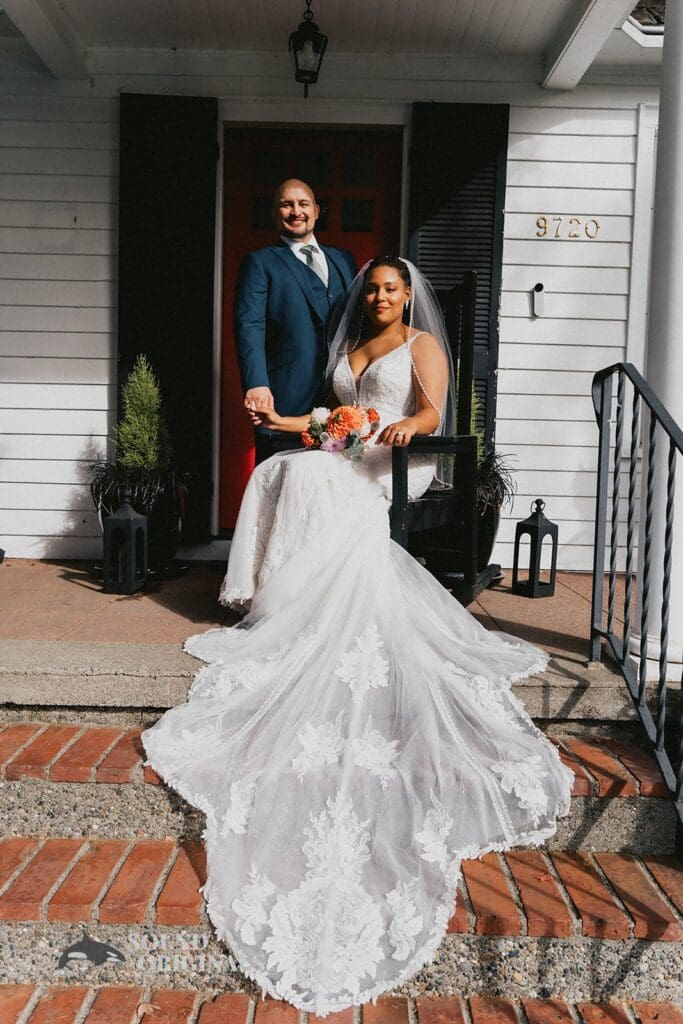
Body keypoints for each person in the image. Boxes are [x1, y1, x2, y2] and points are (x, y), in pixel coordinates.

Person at [141, 257, 573, 1018]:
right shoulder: (351, 349)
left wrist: (405, 423)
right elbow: (329, 414)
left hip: (389, 463)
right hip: (350, 449)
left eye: (390, 288)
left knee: (306, 480)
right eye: (371, 288)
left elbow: (433, 411)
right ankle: (277, 598)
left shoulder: (419, 345)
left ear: (406, 295)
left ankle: (298, 603)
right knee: (277, 471)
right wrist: (288, 423)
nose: (379, 296)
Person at [234, 178, 357, 463]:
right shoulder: (260, 262)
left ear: (315, 210)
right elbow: (249, 325)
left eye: (303, 204)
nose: (295, 211)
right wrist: (257, 384)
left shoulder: (344, 259)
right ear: (275, 213)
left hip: (341, 392)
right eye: (286, 205)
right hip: (287, 391)